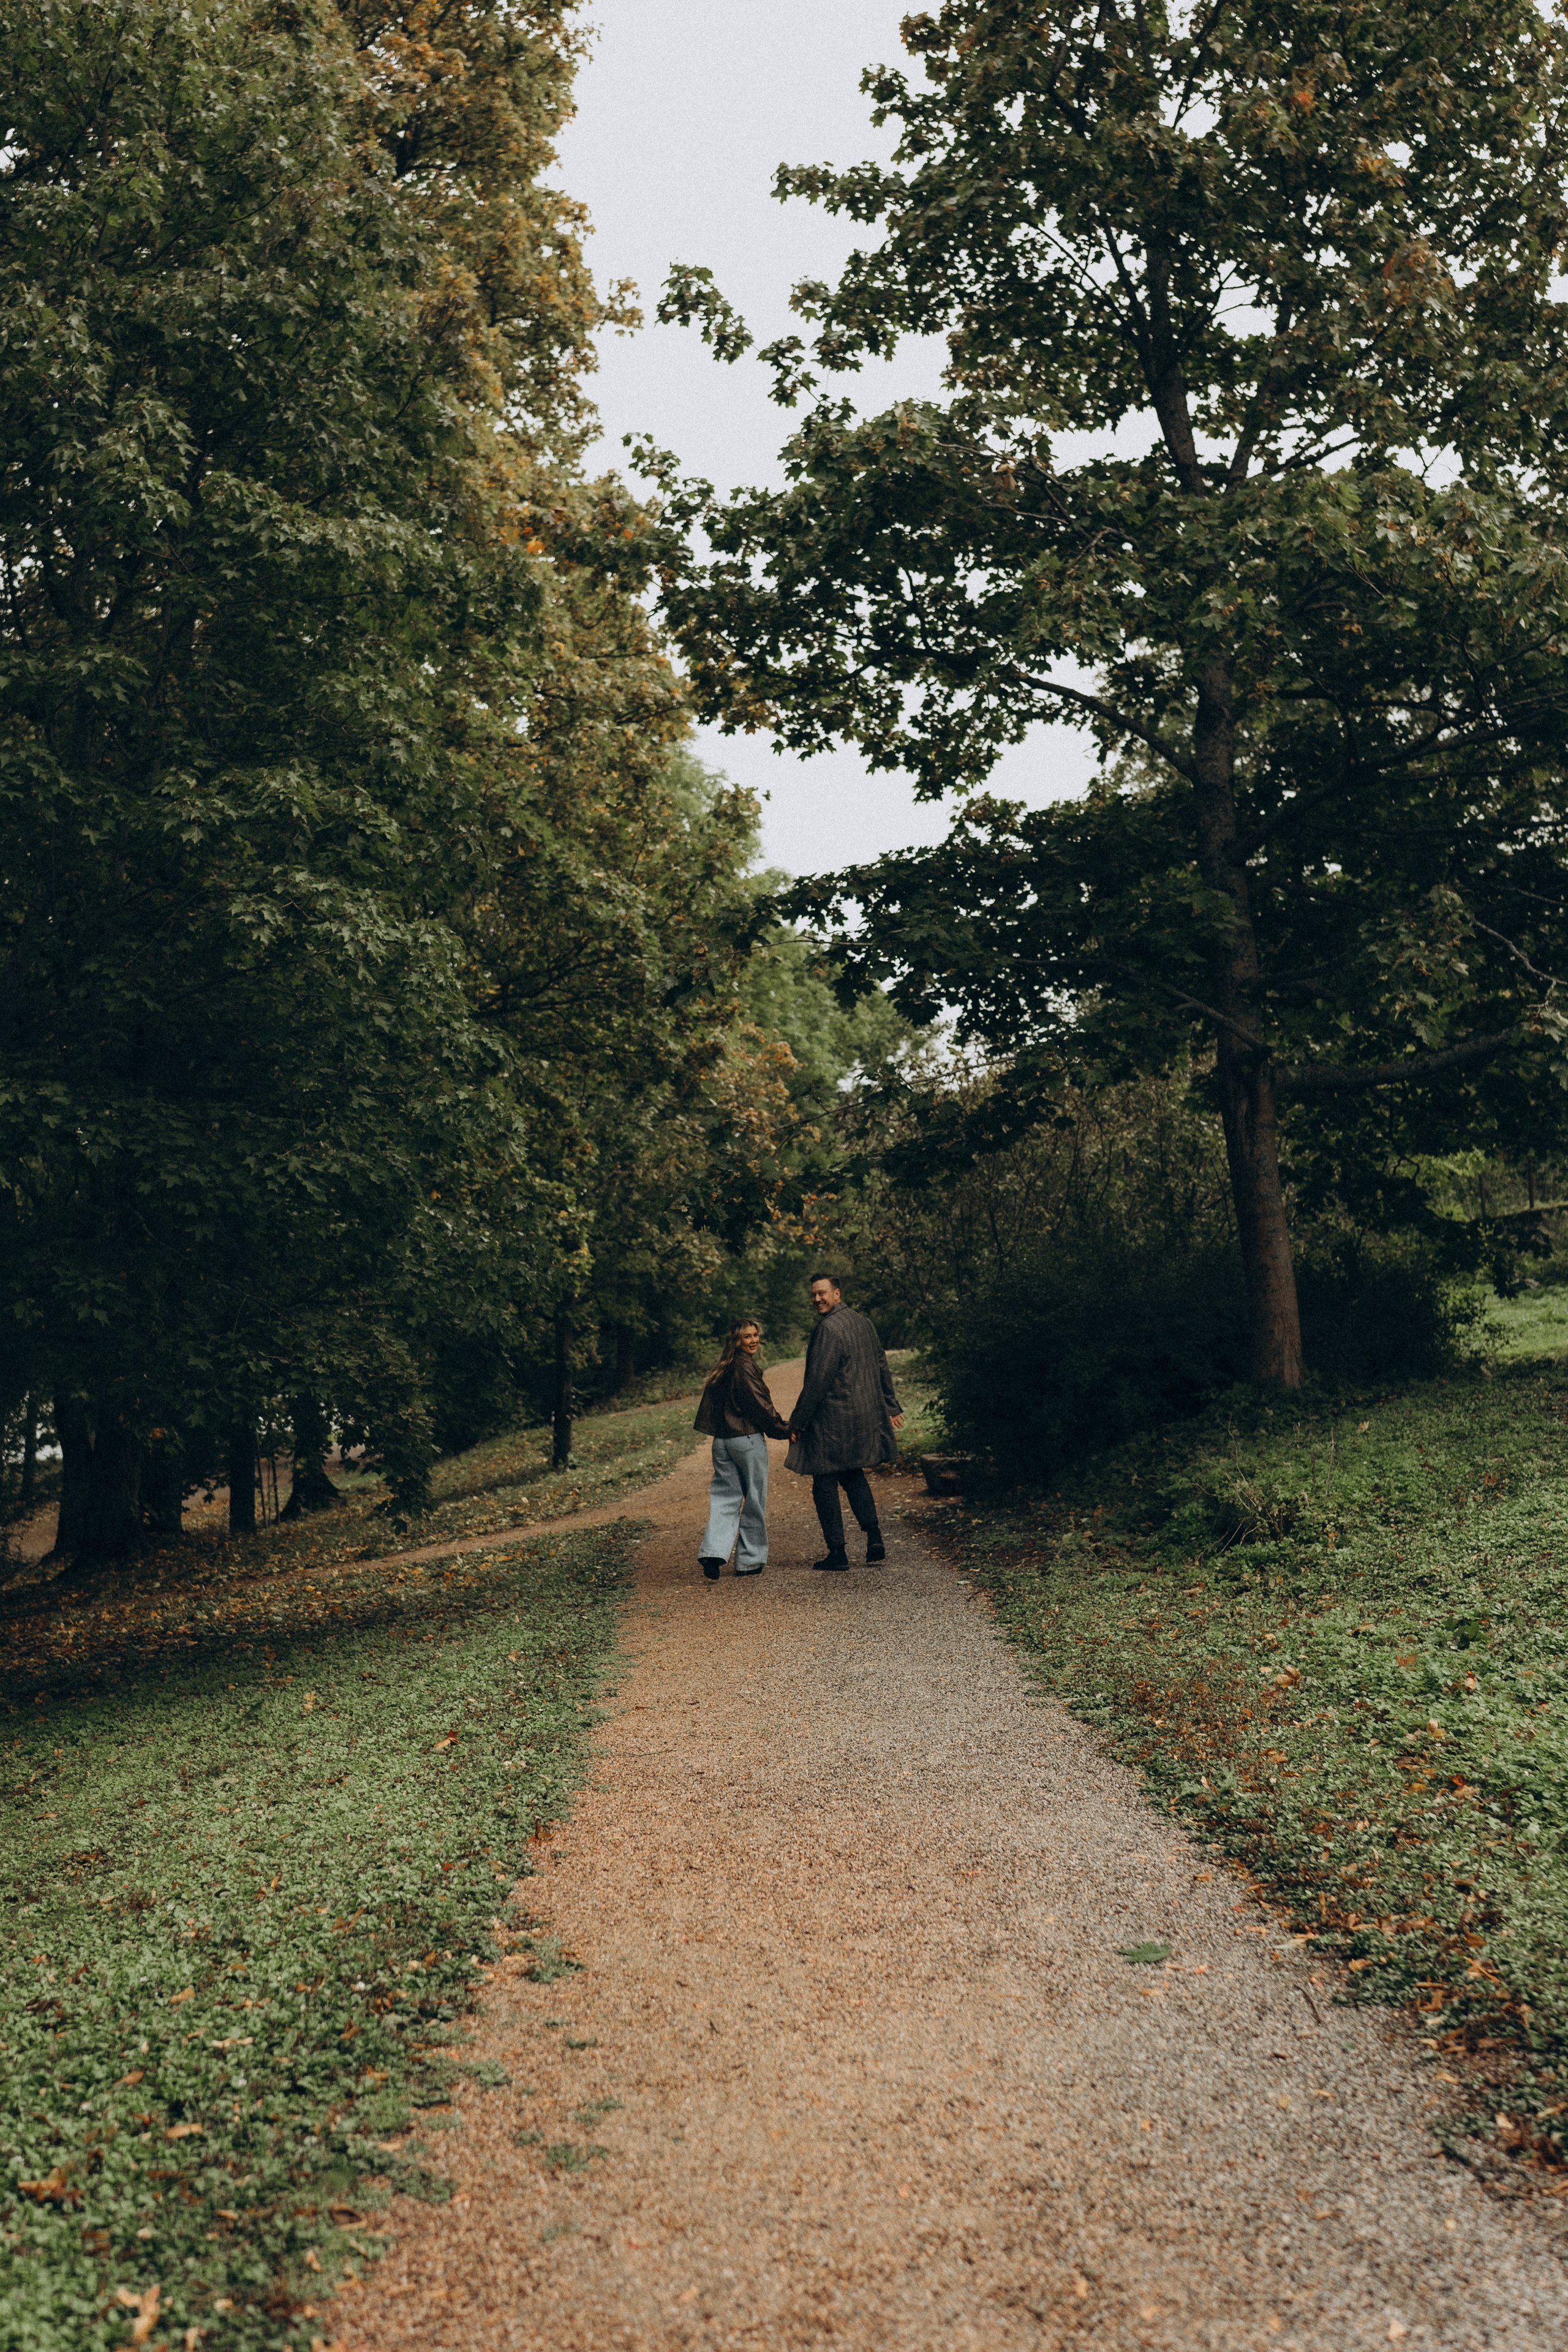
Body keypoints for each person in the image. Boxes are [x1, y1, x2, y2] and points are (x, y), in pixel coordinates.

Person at [786, 1274, 904, 1571]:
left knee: (824, 1481)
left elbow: (817, 1382)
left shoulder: (828, 1329)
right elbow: (881, 1364)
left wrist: (798, 1422)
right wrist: (890, 1404)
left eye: (822, 1293)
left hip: (833, 1420)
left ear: (837, 1294)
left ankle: (837, 1552)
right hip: (863, 1416)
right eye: (813, 1295)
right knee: (853, 1475)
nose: (817, 1299)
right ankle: (874, 1538)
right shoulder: (864, 1322)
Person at [693, 1317, 791, 1580]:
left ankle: (713, 1553)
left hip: (722, 1442)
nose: (754, 1340)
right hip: (746, 1440)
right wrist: (785, 1430)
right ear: (737, 1340)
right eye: (747, 1336)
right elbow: (761, 1407)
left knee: (725, 1498)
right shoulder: (744, 1368)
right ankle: (749, 1561)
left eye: (756, 1335)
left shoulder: (722, 1368)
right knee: (755, 1499)